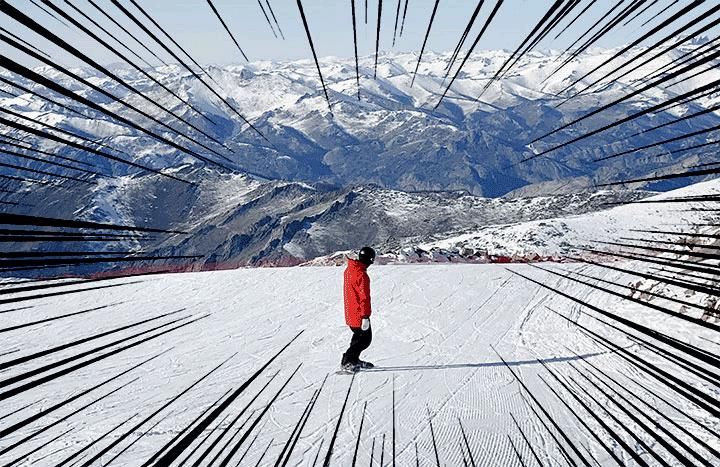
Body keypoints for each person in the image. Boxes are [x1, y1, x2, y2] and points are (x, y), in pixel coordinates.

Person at [341, 246, 376, 371]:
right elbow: (364, 298)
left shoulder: (350, 269)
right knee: (365, 340)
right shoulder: (362, 275)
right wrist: (365, 316)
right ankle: (347, 361)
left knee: (357, 337)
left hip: (350, 310)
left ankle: (354, 360)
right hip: (359, 313)